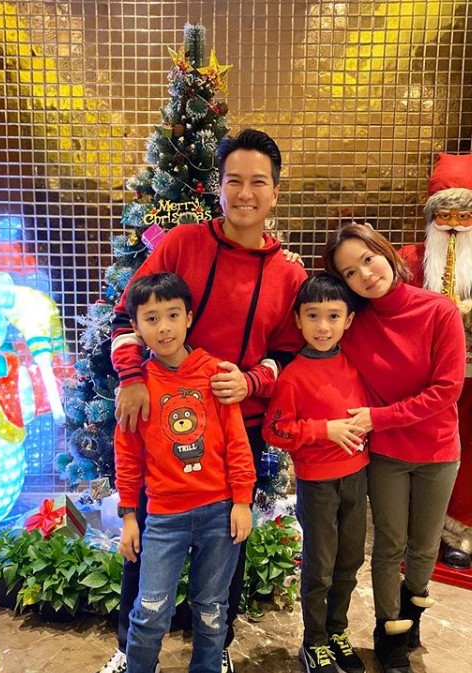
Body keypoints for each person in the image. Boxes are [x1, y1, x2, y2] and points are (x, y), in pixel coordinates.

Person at [100, 128, 307, 673]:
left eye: (257, 182)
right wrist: (132, 378)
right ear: (218, 187)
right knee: (147, 538)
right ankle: (129, 647)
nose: (245, 193)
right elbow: (126, 314)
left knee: (229, 543)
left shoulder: (289, 274)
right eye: (233, 180)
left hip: (238, 424)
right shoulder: (182, 244)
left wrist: (251, 382)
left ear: (275, 191)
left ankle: (217, 649)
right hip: (161, 415)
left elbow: (289, 352)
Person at [323, 223, 466, 673]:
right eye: (350, 273)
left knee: (423, 547)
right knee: (389, 545)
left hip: (437, 450)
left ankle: (411, 617)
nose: (365, 275)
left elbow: (447, 389)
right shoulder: (354, 324)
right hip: (386, 454)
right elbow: (310, 327)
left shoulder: (439, 310)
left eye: (368, 259)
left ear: (385, 252)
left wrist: (379, 417)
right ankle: (389, 633)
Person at [115, 272, 256, 673]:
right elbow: (127, 455)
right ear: (137, 327)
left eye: (173, 315)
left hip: (219, 513)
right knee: (150, 610)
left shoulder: (215, 374)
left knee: (212, 610)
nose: (164, 328)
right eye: (152, 318)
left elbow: (236, 441)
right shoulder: (136, 388)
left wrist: (242, 501)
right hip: (164, 518)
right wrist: (129, 515)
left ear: (189, 318)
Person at [263, 273, 369, 673]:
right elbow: (274, 430)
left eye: (333, 316)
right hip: (318, 483)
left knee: (350, 561)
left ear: (349, 320)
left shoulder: (355, 364)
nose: (323, 326)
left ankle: (337, 631)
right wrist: (324, 430)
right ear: (298, 320)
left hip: (357, 477)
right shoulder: (293, 376)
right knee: (320, 567)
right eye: (312, 315)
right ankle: (315, 640)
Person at [398, 152, 472, 571]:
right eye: (445, 216)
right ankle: (419, 528)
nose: (455, 225)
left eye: (465, 217)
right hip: (423, 381)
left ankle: (461, 528)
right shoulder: (411, 259)